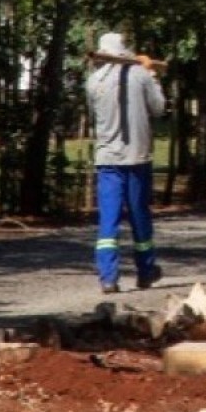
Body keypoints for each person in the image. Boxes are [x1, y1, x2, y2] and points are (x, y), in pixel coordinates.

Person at [84, 31, 166, 294]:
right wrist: (152, 74)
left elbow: (93, 112)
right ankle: (145, 272)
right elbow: (159, 108)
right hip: (137, 158)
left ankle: (108, 277)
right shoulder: (140, 75)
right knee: (139, 217)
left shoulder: (93, 81)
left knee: (108, 222)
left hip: (107, 160)